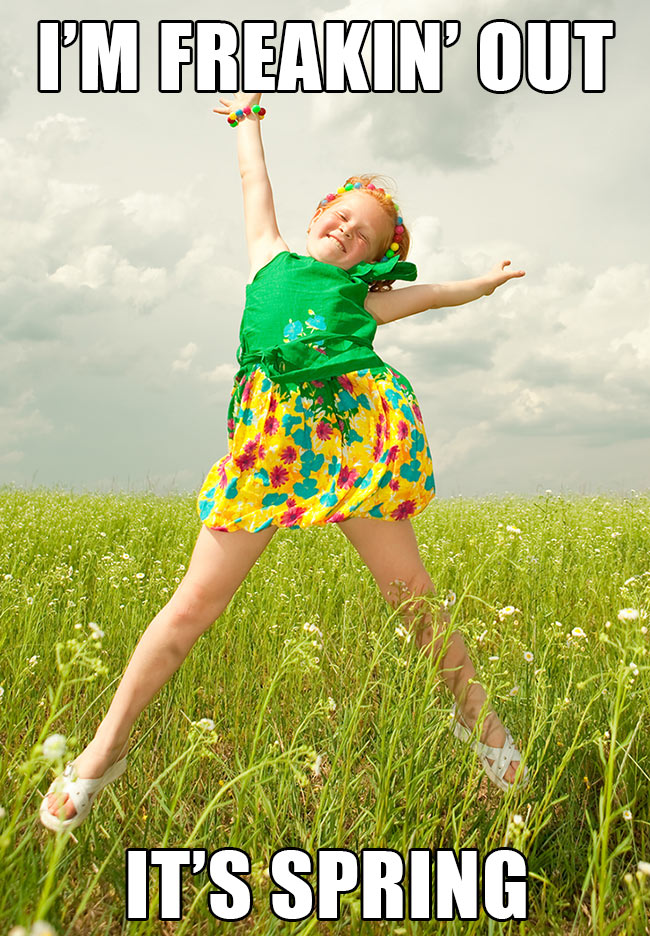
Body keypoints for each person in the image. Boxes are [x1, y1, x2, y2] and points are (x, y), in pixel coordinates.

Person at [40, 92, 528, 833]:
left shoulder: (360, 300)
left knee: (414, 597)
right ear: (315, 216)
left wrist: (484, 285)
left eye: (362, 234)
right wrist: (249, 124)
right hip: (267, 454)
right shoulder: (270, 256)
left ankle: (483, 728)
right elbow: (253, 185)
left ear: (373, 257)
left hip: (345, 444)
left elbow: (432, 296)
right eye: (339, 215)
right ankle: (102, 755)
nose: (344, 230)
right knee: (191, 607)